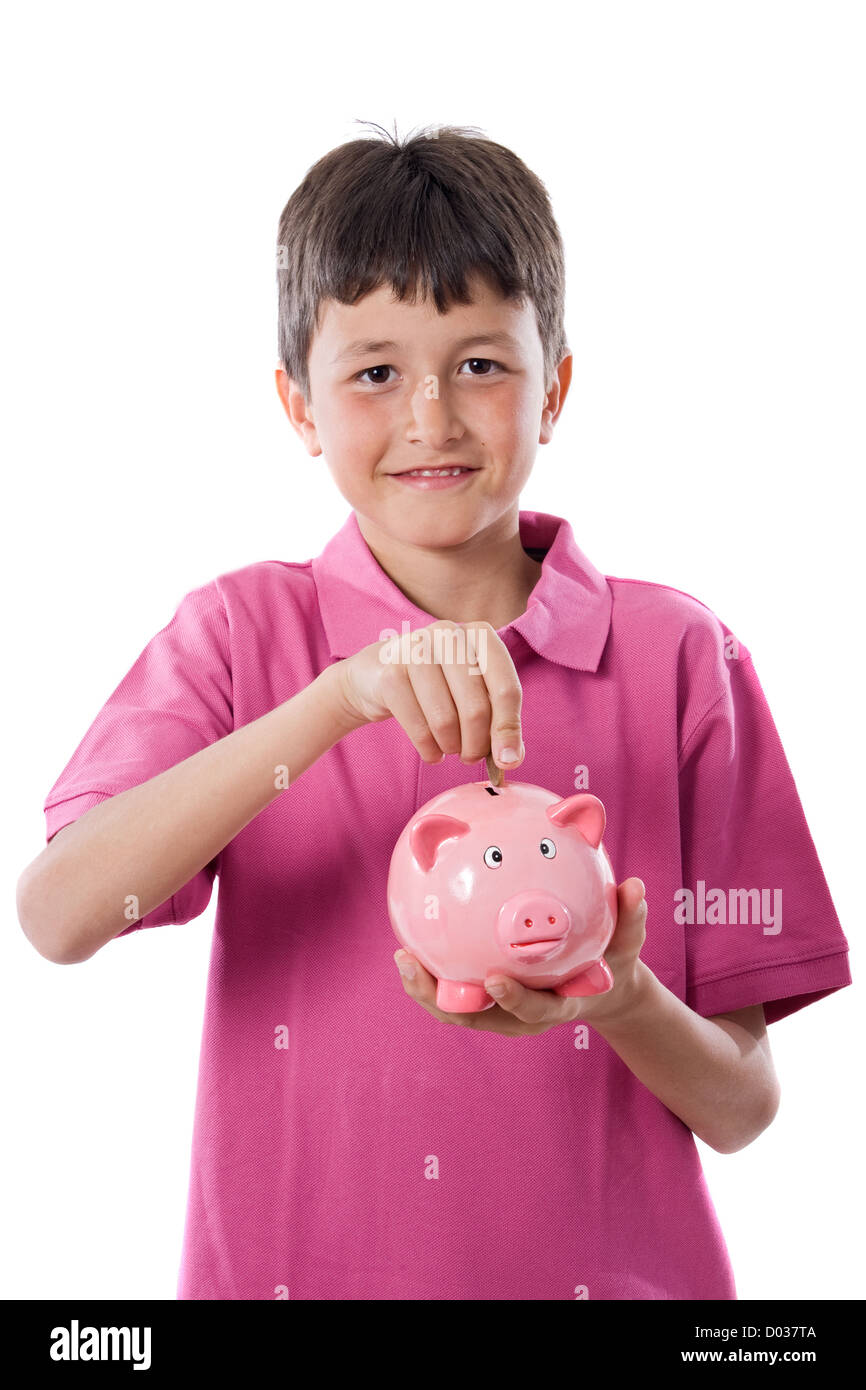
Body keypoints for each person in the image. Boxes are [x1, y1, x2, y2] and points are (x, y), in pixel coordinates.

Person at [17, 123, 851, 1301]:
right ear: (296, 406)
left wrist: (616, 993)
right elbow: (58, 915)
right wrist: (335, 700)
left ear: (552, 385)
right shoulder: (238, 637)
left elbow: (742, 1105)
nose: (430, 417)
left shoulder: (682, 659)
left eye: (479, 364)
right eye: (372, 371)